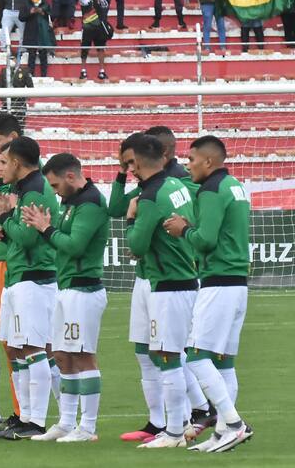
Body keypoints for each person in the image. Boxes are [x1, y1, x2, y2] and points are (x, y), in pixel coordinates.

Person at [163, 135, 254, 453]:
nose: (187, 166)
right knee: (224, 361)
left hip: (218, 281)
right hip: (237, 281)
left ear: (208, 161)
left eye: (191, 160)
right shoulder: (235, 185)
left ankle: (233, 423)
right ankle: (221, 432)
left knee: (197, 355)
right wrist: (193, 226)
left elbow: (205, 241)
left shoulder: (212, 189)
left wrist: (183, 229)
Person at [22, 152, 109, 442]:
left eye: (56, 185)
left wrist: (46, 229)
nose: (55, 192)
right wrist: (50, 229)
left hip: (84, 290)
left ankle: (89, 427)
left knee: (83, 356)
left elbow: (74, 246)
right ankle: (67, 422)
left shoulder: (92, 203)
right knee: (61, 355)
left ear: (70, 176)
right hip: (67, 288)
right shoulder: (71, 203)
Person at [0, 136, 58, 440]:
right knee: (15, 348)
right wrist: (5, 229)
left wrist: (4, 217)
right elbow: (20, 234)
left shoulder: (36, 190)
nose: (1, 165)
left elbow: (28, 238)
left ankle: (35, 422)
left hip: (34, 278)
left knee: (33, 348)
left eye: (5, 161)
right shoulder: (25, 189)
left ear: (18, 163)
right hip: (19, 276)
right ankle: (23, 416)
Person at [121, 135, 199, 448]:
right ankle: (183, 424)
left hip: (167, 285)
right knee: (172, 355)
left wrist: (130, 219)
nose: (129, 169)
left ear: (138, 162)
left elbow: (137, 245)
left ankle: (177, 431)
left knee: (169, 357)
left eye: (129, 163)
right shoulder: (175, 185)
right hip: (183, 278)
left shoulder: (151, 195)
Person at [79, 0, 110, 80]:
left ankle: (102, 71)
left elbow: (105, 5)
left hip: (98, 25)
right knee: (84, 48)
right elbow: (86, 3)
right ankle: (83, 70)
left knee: (100, 48)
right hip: (87, 25)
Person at [19, 0, 54, 77]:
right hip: (31, 34)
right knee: (32, 56)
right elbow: (21, 17)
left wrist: (43, 13)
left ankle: (44, 76)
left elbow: (52, 16)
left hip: (43, 34)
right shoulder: (26, 4)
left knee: (43, 57)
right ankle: (31, 76)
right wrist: (30, 12)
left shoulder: (45, 4)